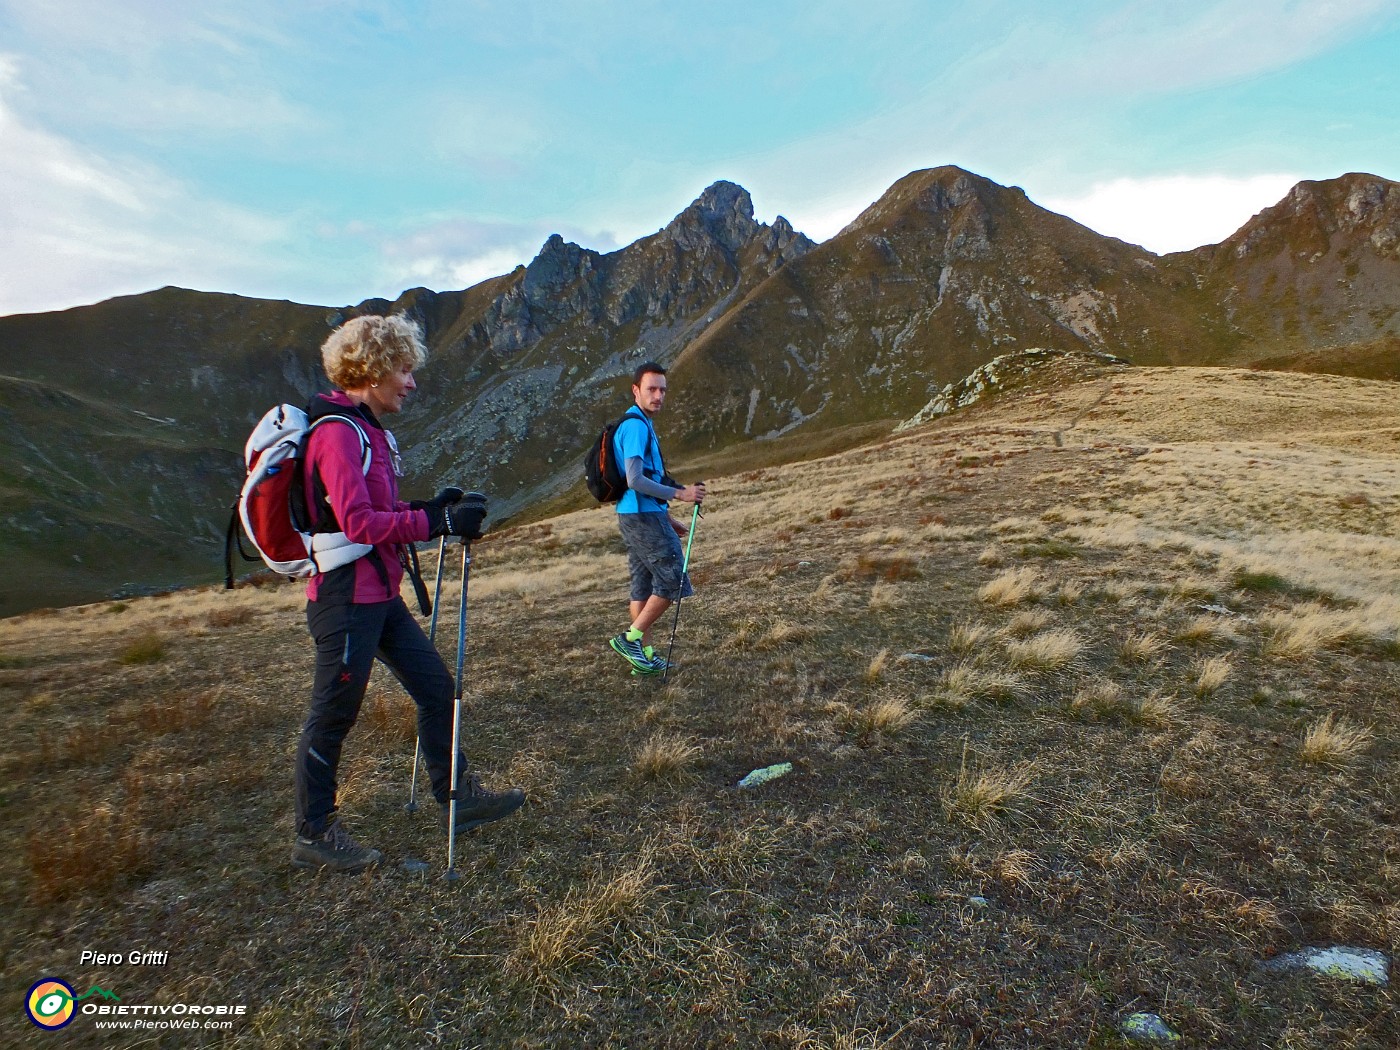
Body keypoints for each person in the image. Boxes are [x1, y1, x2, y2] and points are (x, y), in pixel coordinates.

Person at [292, 314, 524, 873]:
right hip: (346, 599)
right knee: (334, 713)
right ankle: (314, 833)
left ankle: (458, 796)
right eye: (403, 368)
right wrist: (434, 523)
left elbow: (382, 511)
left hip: (377, 594)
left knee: (438, 689)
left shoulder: (368, 432)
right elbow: (358, 521)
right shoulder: (337, 434)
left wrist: (429, 507)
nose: (411, 382)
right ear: (371, 370)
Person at [607, 361, 706, 675]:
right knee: (674, 580)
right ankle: (630, 638)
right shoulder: (636, 426)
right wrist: (679, 495)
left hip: (638, 515)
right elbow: (635, 479)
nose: (659, 395)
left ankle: (644, 658)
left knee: (642, 586)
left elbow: (644, 477)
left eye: (663, 389)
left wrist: (666, 517)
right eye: (651, 389)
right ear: (636, 390)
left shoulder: (640, 423)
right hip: (641, 516)